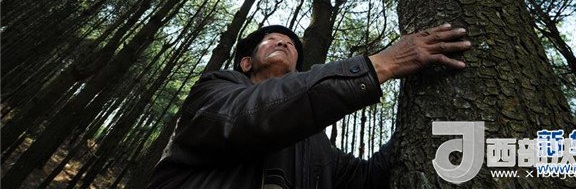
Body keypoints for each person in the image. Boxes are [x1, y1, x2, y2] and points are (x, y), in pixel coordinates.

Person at [148, 23, 471, 188]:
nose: (283, 42)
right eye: (272, 39)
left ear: (297, 73)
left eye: (290, 44)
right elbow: (246, 115)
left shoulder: (316, 144)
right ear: (246, 62)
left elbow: (367, 179)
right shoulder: (214, 90)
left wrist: (421, 120)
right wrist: (382, 64)